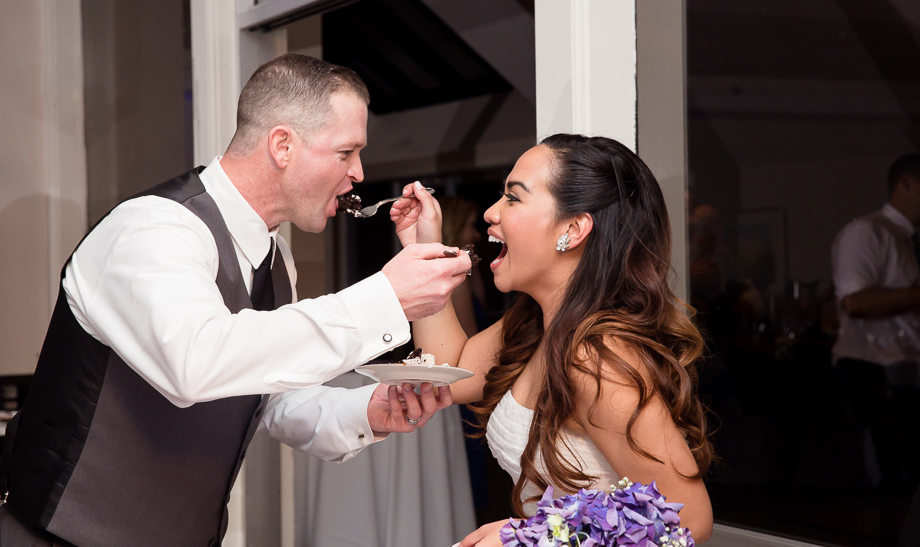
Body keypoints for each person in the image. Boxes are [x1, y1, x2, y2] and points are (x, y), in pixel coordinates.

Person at [0, 54, 471, 546]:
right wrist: (384, 297)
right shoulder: (154, 228)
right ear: (282, 145)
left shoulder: (276, 262)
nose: (359, 172)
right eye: (346, 152)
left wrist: (366, 411)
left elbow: (265, 400)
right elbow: (196, 364)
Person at [390, 134, 714, 546]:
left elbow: (688, 517)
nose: (491, 212)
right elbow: (448, 372)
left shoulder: (599, 358)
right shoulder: (531, 325)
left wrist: (529, 536)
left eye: (513, 198)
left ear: (574, 229)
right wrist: (426, 248)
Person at [831, 153, 920, 492]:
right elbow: (855, 302)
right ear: (906, 183)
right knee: (888, 485)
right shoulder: (867, 231)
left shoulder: (905, 238)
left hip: (902, 369)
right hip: (870, 370)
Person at [440, 196, 489, 336]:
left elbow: (481, 304)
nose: (477, 235)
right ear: (454, 228)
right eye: (472, 225)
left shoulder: (462, 274)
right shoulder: (454, 282)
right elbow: (470, 335)